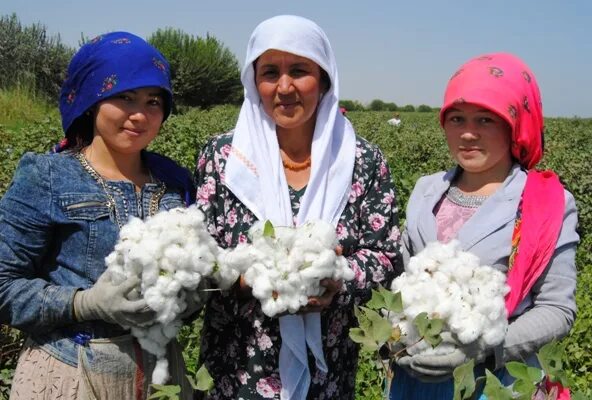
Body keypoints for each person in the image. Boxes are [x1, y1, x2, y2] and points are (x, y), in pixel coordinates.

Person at [194, 15, 401, 399]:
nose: (285, 87)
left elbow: (386, 257)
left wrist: (338, 278)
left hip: (328, 368)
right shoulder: (224, 158)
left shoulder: (363, 161)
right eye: (270, 72)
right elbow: (202, 254)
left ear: (323, 79)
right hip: (237, 367)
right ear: (254, 81)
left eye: (300, 71)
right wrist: (242, 280)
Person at [0, 32, 196, 399]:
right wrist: (83, 302)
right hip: (70, 374)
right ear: (92, 100)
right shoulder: (47, 177)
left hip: (161, 377)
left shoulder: (175, 182)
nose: (140, 115)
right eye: (125, 97)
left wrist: (195, 294)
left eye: (154, 101)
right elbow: (3, 286)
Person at [390, 53, 578, 399]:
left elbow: (557, 309)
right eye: (457, 118)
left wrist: (482, 350)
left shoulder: (545, 202)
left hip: (495, 384)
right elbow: (403, 281)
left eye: (486, 120)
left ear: (515, 124)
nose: (468, 134)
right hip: (416, 381)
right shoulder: (425, 190)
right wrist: (394, 333)